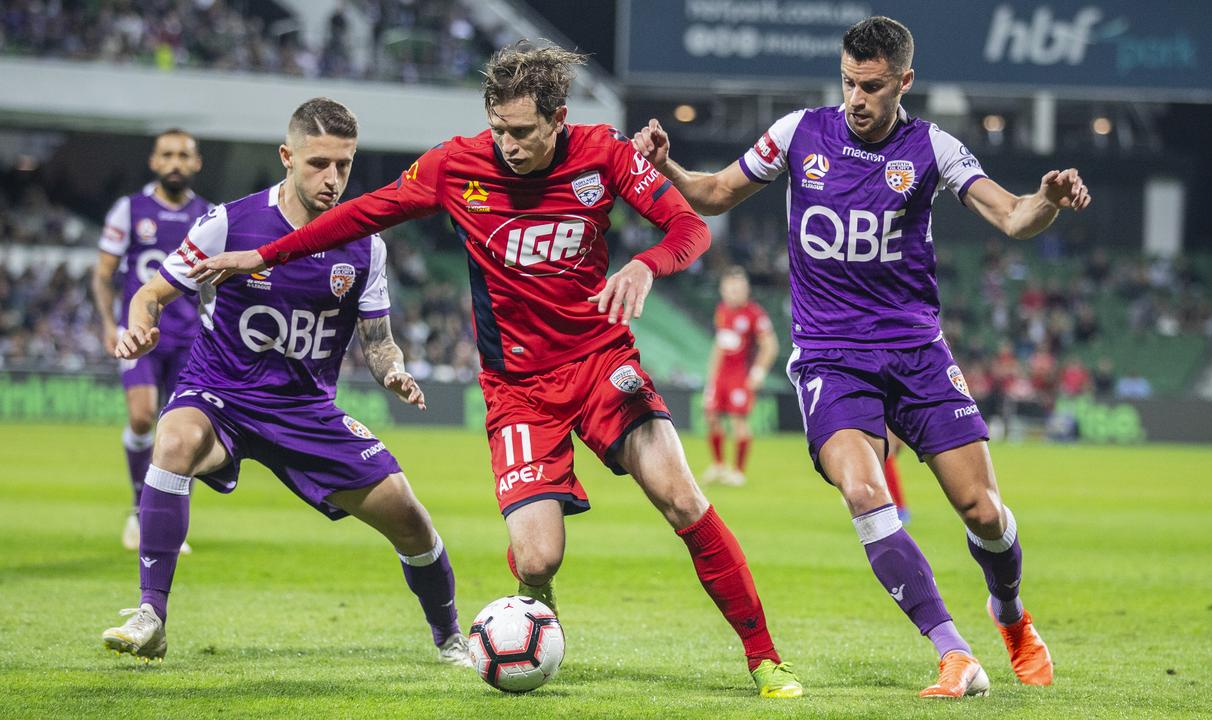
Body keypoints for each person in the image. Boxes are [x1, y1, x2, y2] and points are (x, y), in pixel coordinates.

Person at [187, 42, 803, 699]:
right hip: (517, 391)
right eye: (498, 128)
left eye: (522, 131)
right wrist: (266, 256)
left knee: (681, 496)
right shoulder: (457, 165)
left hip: (600, 363)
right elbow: (363, 213)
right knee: (537, 558)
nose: (507, 143)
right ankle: (536, 602)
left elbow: (689, 229)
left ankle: (765, 660)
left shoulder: (606, 153)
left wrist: (643, 264)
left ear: (558, 117)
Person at [631, 16, 1089, 698]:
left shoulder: (933, 147)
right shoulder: (798, 134)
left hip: (916, 353)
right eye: (848, 82)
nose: (856, 99)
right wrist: (666, 164)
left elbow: (1013, 217)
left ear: (903, 81)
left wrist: (1047, 201)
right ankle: (954, 652)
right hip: (829, 360)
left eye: (872, 87)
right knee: (866, 493)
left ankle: (1011, 614)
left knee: (984, 513)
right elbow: (715, 194)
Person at [100, 98, 468, 667]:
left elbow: (378, 340)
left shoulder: (366, 243)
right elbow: (151, 292)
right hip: (220, 394)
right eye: (319, 163)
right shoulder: (230, 221)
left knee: (410, 520)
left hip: (306, 411)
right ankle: (151, 615)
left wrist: (392, 369)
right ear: (286, 157)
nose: (333, 178)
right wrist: (136, 328)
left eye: (344, 165)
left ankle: (451, 640)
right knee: (170, 440)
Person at [91, 129, 209, 553]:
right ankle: (140, 511)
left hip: (193, 341)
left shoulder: (210, 216)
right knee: (143, 419)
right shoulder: (130, 210)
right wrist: (109, 324)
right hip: (139, 335)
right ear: (154, 162)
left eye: (183, 155)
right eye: (167, 155)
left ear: (196, 164)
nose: (175, 162)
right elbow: (104, 274)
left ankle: (169, 525)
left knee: (187, 433)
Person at [702, 266, 777, 486]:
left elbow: (770, 345)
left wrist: (758, 372)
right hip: (721, 376)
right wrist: (711, 378)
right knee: (712, 418)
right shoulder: (722, 311)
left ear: (746, 289)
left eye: (738, 287)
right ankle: (718, 465)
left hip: (740, 376)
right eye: (729, 288)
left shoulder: (755, 314)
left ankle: (738, 471)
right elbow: (719, 345)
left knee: (738, 422)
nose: (734, 292)